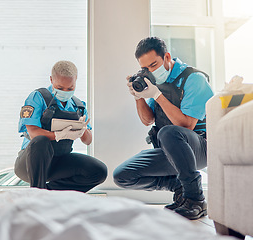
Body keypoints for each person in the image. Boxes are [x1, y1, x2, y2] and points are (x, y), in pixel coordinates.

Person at [113, 37, 213, 220]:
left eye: (154, 65)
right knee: (122, 175)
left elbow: (186, 125)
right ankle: (179, 188)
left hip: (199, 148)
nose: (150, 71)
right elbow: (147, 119)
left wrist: (157, 95)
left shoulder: (194, 79)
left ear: (167, 57)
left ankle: (196, 199)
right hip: (171, 151)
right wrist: (139, 97)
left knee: (168, 132)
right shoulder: (155, 81)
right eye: (146, 68)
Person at [15, 60, 107, 192]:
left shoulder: (78, 106)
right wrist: (59, 135)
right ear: (51, 80)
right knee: (41, 141)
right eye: (60, 87)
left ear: (75, 81)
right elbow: (33, 133)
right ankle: (37, 195)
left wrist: (83, 130)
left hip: (59, 161)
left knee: (98, 171)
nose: (65, 91)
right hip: (31, 162)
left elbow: (88, 141)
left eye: (70, 88)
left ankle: (49, 194)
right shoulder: (37, 97)